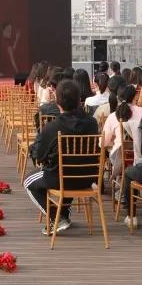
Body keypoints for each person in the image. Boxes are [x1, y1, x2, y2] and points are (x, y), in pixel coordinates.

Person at [24, 79, 99, 235]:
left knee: (28, 181)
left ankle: (56, 217)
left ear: (57, 101)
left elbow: (39, 155)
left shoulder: (53, 127)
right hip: (88, 178)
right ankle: (63, 214)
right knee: (69, 168)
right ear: (79, 100)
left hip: (60, 179)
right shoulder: (92, 123)